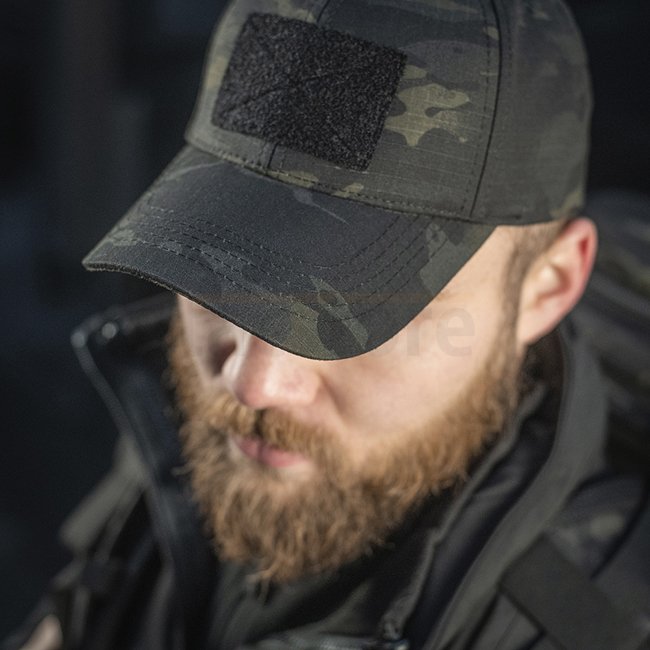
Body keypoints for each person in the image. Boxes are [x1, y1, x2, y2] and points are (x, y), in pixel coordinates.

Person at [6, 0, 650, 648]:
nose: (252, 383)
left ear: (549, 287)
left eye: (358, 311)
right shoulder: (176, 418)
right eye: (217, 268)